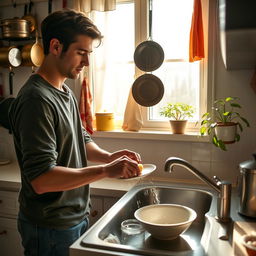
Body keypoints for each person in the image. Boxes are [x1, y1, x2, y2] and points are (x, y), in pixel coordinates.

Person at [9, 9, 141, 256]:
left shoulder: (64, 91)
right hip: (49, 226)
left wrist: (109, 157)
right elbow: (41, 180)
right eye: (81, 53)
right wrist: (105, 171)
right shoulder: (36, 100)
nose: (87, 63)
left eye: (88, 54)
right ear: (56, 47)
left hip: (73, 217)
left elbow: (82, 140)